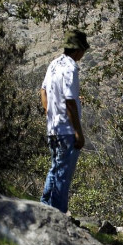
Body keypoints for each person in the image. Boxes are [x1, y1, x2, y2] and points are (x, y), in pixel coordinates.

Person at [39, 29, 90, 213]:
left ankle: (44, 208)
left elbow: (43, 91)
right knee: (63, 175)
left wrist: (49, 112)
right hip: (66, 130)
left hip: (53, 128)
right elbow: (69, 101)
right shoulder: (70, 67)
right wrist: (78, 132)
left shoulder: (54, 64)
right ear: (78, 50)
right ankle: (58, 215)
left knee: (54, 170)